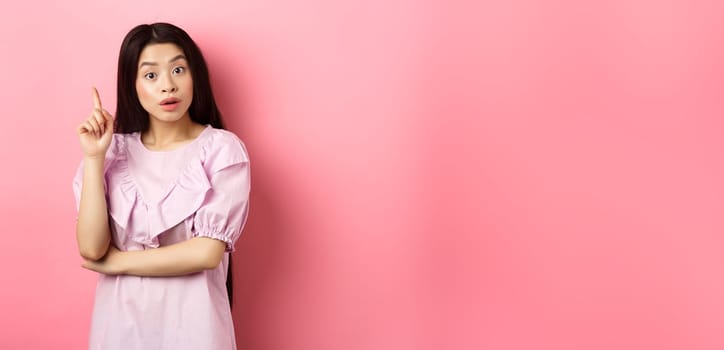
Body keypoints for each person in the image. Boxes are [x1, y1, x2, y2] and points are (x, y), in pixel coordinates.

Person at [73, 22, 250, 349]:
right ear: (132, 85)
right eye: (151, 75)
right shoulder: (111, 153)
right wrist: (95, 157)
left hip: (196, 331)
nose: (168, 86)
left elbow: (206, 252)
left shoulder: (222, 150)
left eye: (179, 70)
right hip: (119, 329)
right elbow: (91, 248)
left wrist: (119, 262)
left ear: (195, 76)